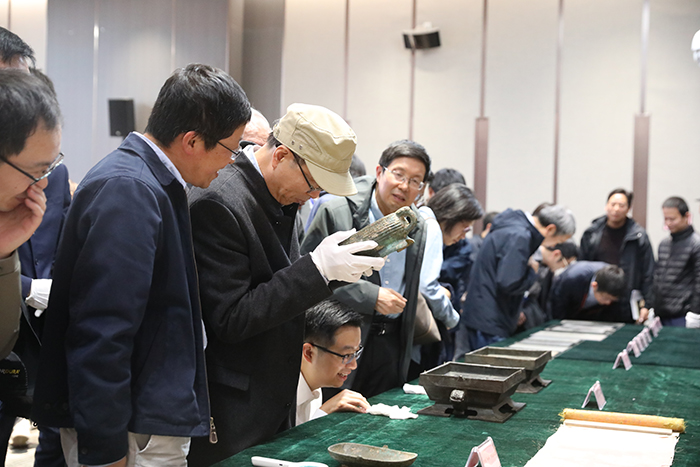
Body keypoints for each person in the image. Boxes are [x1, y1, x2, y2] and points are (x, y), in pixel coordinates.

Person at [32, 64, 251, 467]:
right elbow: (102, 331)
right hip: (132, 431)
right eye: (232, 148)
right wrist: (106, 447)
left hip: (143, 421)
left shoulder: (150, 182)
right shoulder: (130, 189)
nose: (232, 161)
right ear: (192, 140)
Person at [187, 103, 384, 466]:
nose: (314, 197)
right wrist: (317, 270)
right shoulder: (219, 202)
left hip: (271, 399)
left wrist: (333, 274)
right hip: (230, 409)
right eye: (313, 185)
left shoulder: (279, 196)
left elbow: (280, 291)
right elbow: (230, 319)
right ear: (281, 155)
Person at [302, 139, 431, 399]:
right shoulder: (336, 209)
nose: (405, 186)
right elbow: (305, 277)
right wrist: (370, 296)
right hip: (340, 341)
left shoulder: (417, 224)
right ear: (380, 172)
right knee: (336, 414)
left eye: (416, 181)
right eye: (399, 174)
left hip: (391, 341)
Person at [462, 205, 576, 350]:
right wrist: (531, 272)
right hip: (491, 318)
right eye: (558, 241)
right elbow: (508, 282)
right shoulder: (520, 235)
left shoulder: (513, 225)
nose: (555, 245)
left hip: (484, 313)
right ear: (551, 229)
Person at [417, 183, 483, 370]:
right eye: (465, 228)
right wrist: (451, 318)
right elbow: (426, 286)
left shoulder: (422, 215)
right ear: (452, 216)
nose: (463, 236)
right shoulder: (433, 227)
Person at [580, 188, 655, 323]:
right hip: (597, 299)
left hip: (625, 301)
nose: (616, 209)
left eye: (621, 205)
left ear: (628, 209)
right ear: (606, 205)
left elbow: (648, 272)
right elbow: (582, 265)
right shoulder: (592, 233)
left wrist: (647, 304)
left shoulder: (638, 236)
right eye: (612, 204)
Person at [297, 299, 369, 425]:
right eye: (346, 355)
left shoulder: (316, 389)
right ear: (309, 352)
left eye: (355, 353)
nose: (353, 365)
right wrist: (324, 412)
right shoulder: (272, 396)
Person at [651, 196, 700, 327]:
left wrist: (695, 313)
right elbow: (657, 278)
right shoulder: (664, 244)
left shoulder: (696, 244)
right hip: (661, 314)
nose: (668, 223)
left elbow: (698, 283)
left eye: (672, 219)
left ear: (687, 216)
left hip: (683, 315)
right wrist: (652, 305)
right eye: (665, 219)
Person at [548, 263, 626, 320]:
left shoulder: (616, 279)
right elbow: (558, 307)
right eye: (605, 298)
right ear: (594, 286)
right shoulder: (573, 280)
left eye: (612, 300)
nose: (608, 302)